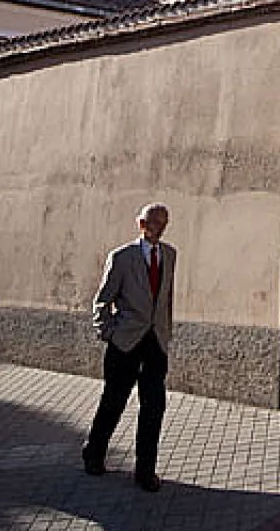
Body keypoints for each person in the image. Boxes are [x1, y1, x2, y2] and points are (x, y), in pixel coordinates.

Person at [82, 202, 175, 491]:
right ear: (141, 224)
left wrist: (166, 333)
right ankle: (94, 452)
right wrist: (108, 332)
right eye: (152, 222)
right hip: (125, 343)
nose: (157, 228)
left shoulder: (170, 255)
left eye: (163, 222)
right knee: (113, 402)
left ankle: (145, 470)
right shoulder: (122, 257)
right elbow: (103, 300)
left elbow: (165, 299)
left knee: (154, 407)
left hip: (155, 343)